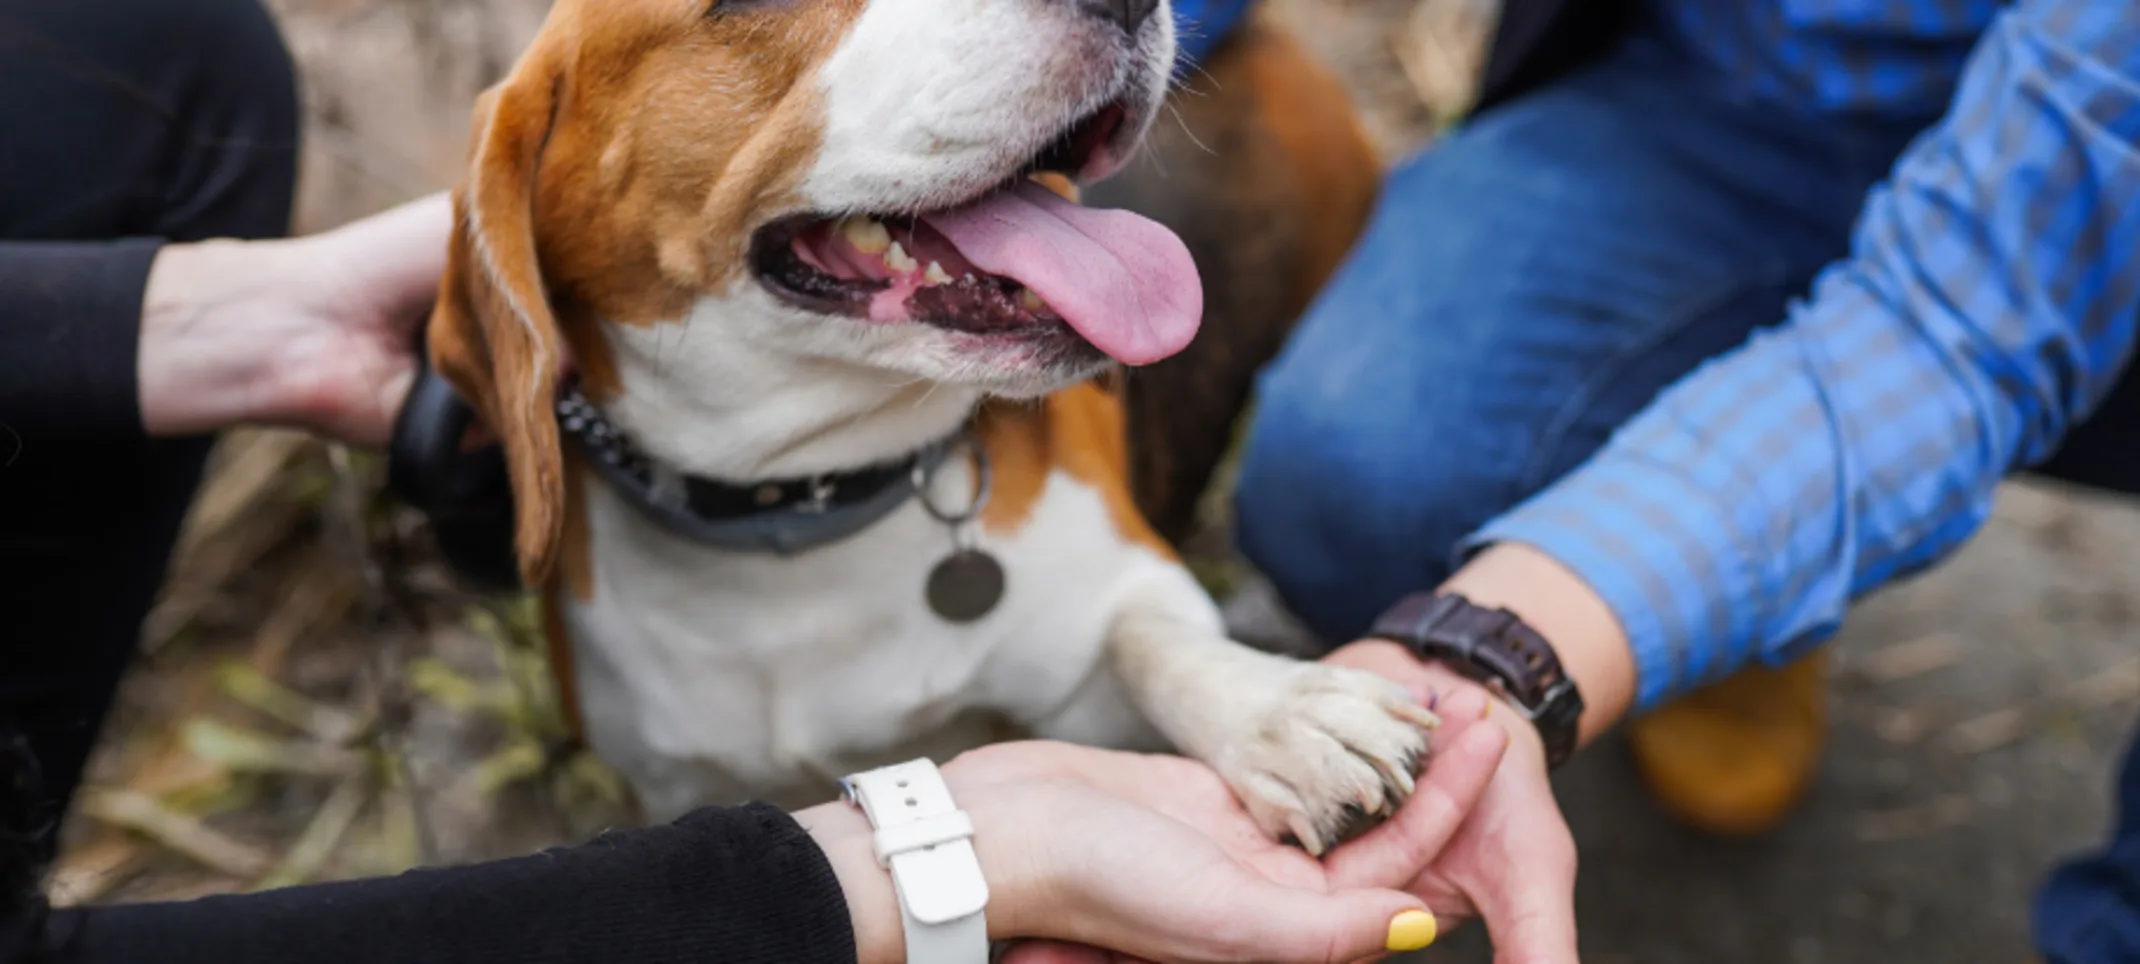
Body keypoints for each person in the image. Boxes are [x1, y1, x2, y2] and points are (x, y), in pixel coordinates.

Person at [0, 1, 1518, 962]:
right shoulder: (531, 335)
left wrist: (1204, 682)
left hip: (1262, 206)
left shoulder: (1046, 362)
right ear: (550, 195)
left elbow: (1125, 607)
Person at [1218, 0, 2140, 960]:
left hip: (2090, 202)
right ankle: (1720, 602)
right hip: (1722, 98)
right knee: (1357, 475)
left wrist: (1500, 649)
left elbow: (1954, 330)